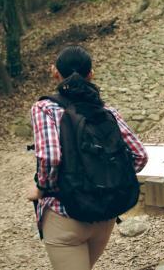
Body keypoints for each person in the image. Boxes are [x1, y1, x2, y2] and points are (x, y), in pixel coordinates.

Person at [26, 46, 148, 270]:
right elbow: (139, 155)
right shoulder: (105, 110)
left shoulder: (45, 108)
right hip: (106, 213)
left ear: (55, 72)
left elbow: (50, 158)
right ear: (91, 73)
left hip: (66, 214)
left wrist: (41, 187)